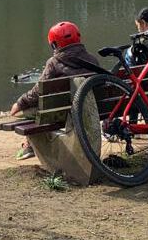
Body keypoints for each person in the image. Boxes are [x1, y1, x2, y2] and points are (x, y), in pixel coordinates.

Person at [9, 21, 102, 160]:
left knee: (22, 113)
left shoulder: (53, 63)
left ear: (54, 44)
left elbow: (38, 91)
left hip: (61, 112)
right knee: (46, 108)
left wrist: (20, 103)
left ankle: (30, 145)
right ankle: (30, 144)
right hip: (90, 110)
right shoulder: (93, 61)